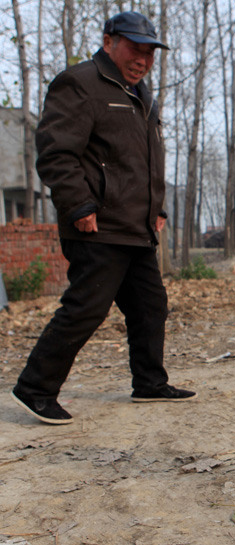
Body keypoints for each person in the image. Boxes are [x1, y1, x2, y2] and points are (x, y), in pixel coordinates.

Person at [10, 11, 195, 426]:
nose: (142, 59)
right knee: (86, 308)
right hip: (97, 225)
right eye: (134, 49)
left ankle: (149, 382)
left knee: (150, 306)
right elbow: (56, 153)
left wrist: (158, 208)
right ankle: (35, 388)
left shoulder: (141, 95)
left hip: (135, 228)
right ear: (109, 41)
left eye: (149, 53)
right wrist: (79, 206)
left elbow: (144, 162)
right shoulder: (80, 83)